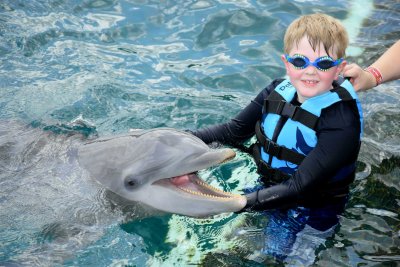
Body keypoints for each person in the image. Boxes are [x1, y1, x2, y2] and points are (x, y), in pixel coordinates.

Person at [191, 13, 363, 262]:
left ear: (339, 68)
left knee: (275, 258)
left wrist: (232, 203)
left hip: (311, 211)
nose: (310, 72)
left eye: (323, 64)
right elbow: (232, 132)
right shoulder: (276, 91)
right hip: (267, 188)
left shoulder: (340, 120)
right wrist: (180, 137)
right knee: (223, 241)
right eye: (300, 61)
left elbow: (299, 187)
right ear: (286, 62)